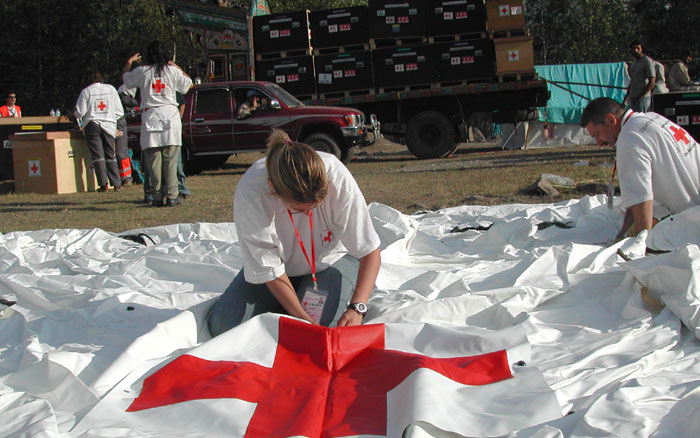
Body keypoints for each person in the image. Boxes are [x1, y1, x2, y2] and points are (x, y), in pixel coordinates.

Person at [207, 129, 381, 336]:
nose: (309, 214)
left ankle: (305, 296)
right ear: (273, 187)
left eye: (316, 206)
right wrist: (301, 318)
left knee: (322, 330)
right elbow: (269, 269)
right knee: (223, 326)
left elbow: (370, 251)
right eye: (299, 209)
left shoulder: (337, 178)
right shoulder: (252, 192)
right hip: (277, 272)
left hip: (329, 262)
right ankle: (292, 299)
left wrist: (357, 307)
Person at [580, 97, 700, 240]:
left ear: (611, 120)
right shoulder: (651, 117)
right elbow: (636, 196)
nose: (598, 142)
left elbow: (642, 200)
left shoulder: (629, 139)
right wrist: (623, 232)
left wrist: (639, 246)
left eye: (597, 134)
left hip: (694, 223)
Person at [121, 40, 193, 207]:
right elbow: (188, 84)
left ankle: (156, 195)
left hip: (151, 116)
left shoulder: (142, 71)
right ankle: (173, 195)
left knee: (153, 161)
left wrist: (128, 63)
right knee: (171, 160)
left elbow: (125, 78)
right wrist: (177, 66)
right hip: (170, 116)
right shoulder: (172, 71)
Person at [74, 72, 124, 192]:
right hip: (109, 124)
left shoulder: (86, 91)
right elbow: (119, 111)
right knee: (110, 154)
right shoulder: (111, 89)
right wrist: (111, 118)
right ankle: (117, 184)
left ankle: (103, 185)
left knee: (98, 155)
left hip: (92, 124)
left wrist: (75, 115)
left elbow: (80, 112)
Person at [115, 84, 138, 187]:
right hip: (112, 122)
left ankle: (127, 178)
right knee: (119, 152)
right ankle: (122, 178)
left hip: (116, 121)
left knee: (121, 152)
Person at [624, 40, 656, 112]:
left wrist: (640, 97)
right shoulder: (633, 63)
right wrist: (625, 99)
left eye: (638, 48)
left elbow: (652, 82)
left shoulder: (647, 61)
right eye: (634, 48)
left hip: (643, 98)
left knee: (642, 120)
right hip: (633, 98)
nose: (636, 50)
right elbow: (632, 82)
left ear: (642, 49)